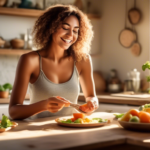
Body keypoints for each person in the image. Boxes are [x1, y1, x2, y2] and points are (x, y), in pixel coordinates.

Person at [9, 4, 99, 120]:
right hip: (37, 131)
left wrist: (92, 102)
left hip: (71, 129)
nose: (70, 35)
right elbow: (13, 111)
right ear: (51, 27)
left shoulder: (82, 60)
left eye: (75, 31)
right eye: (65, 28)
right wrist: (44, 105)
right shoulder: (30, 60)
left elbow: (91, 96)